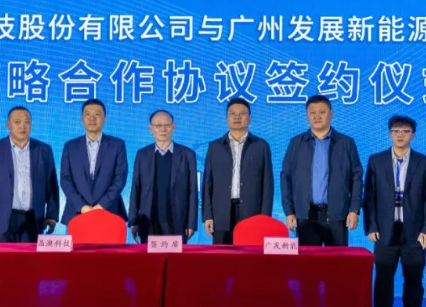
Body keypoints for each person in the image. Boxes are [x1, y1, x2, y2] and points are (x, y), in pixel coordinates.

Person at [365, 115, 426, 307]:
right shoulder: (376, 161)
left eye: (405, 131)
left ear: (413, 135)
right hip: (384, 231)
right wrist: (371, 226)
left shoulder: (424, 162)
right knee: (383, 280)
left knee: (413, 280)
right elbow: (370, 197)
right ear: (389, 134)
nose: (400, 135)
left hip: (414, 232)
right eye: (396, 131)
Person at [281, 95, 363, 246]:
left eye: (322, 112)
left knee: (338, 260)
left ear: (331, 114)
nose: (317, 116)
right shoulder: (296, 143)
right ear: (307, 115)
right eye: (312, 113)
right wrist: (289, 211)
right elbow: (286, 177)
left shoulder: (346, 143)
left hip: (337, 215)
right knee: (308, 260)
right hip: (305, 216)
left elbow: (356, 178)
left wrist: (354, 210)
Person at [0, 106, 59, 242]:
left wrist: (51, 215)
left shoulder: (44, 150)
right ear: (8, 124)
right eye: (17, 122)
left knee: (29, 256)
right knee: (0, 256)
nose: (22, 126)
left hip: (33, 219)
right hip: (1, 219)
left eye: (27, 122)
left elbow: (51, 185)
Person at [202, 97, 273, 245]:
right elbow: (208, 184)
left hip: (251, 213)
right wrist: (208, 215)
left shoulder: (261, 146)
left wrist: (264, 218)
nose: (237, 117)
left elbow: (267, 185)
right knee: (222, 256)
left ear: (250, 118)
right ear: (226, 118)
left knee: (249, 255)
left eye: (242, 113)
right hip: (221, 213)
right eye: (232, 113)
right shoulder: (215, 147)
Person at [128, 110, 198, 243]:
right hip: (148, 221)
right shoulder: (142, 154)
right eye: (158, 126)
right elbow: (136, 188)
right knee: (149, 256)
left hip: (177, 221)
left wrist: (191, 223)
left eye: (167, 125)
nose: (163, 129)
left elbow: (193, 191)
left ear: (173, 127)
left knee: (176, 256)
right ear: (151, 129)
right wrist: (133, 220)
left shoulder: (187, 155)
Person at [60, 99, 128, 226]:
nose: (92, 118)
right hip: (77, 213)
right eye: (88, 114)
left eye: (97, 114)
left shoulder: (117, 145)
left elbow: (120, 179)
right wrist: (82, 206)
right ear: (82, 118)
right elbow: (65, 179)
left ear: (104, 119)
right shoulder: (70, 146)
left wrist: (101, 206)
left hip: (109, 212)